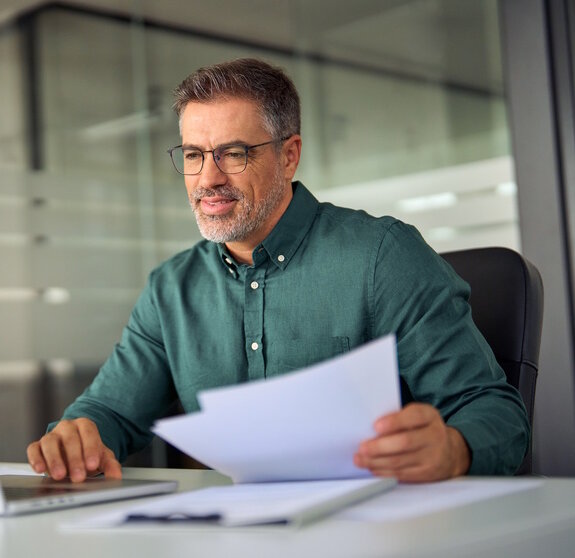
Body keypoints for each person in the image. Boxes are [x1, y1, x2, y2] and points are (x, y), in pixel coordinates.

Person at [27, 58, 529, 484]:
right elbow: (110, 414)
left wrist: (455, 447)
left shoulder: (383, 256)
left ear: (289, 156)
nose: (208, 179)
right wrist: (77, 437)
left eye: (234, 153)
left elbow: (495, 410)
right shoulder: (170, 289)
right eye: (195, 155)